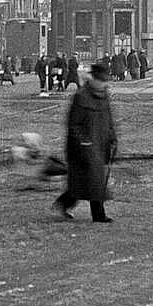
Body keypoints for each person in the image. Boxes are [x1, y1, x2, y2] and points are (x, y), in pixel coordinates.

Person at [54, 60, 116, 223]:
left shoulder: (104, 96)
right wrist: (83, 142)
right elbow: (73, 124)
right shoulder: (81, 97)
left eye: (105, 81)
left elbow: (109, 120)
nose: (104, 84)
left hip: (99, 144)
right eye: (101, 80)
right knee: (88, 181)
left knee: (91, 182)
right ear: (93, 79)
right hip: (82, 147)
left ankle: (67, 204)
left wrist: (113, 137)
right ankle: (96, 214)